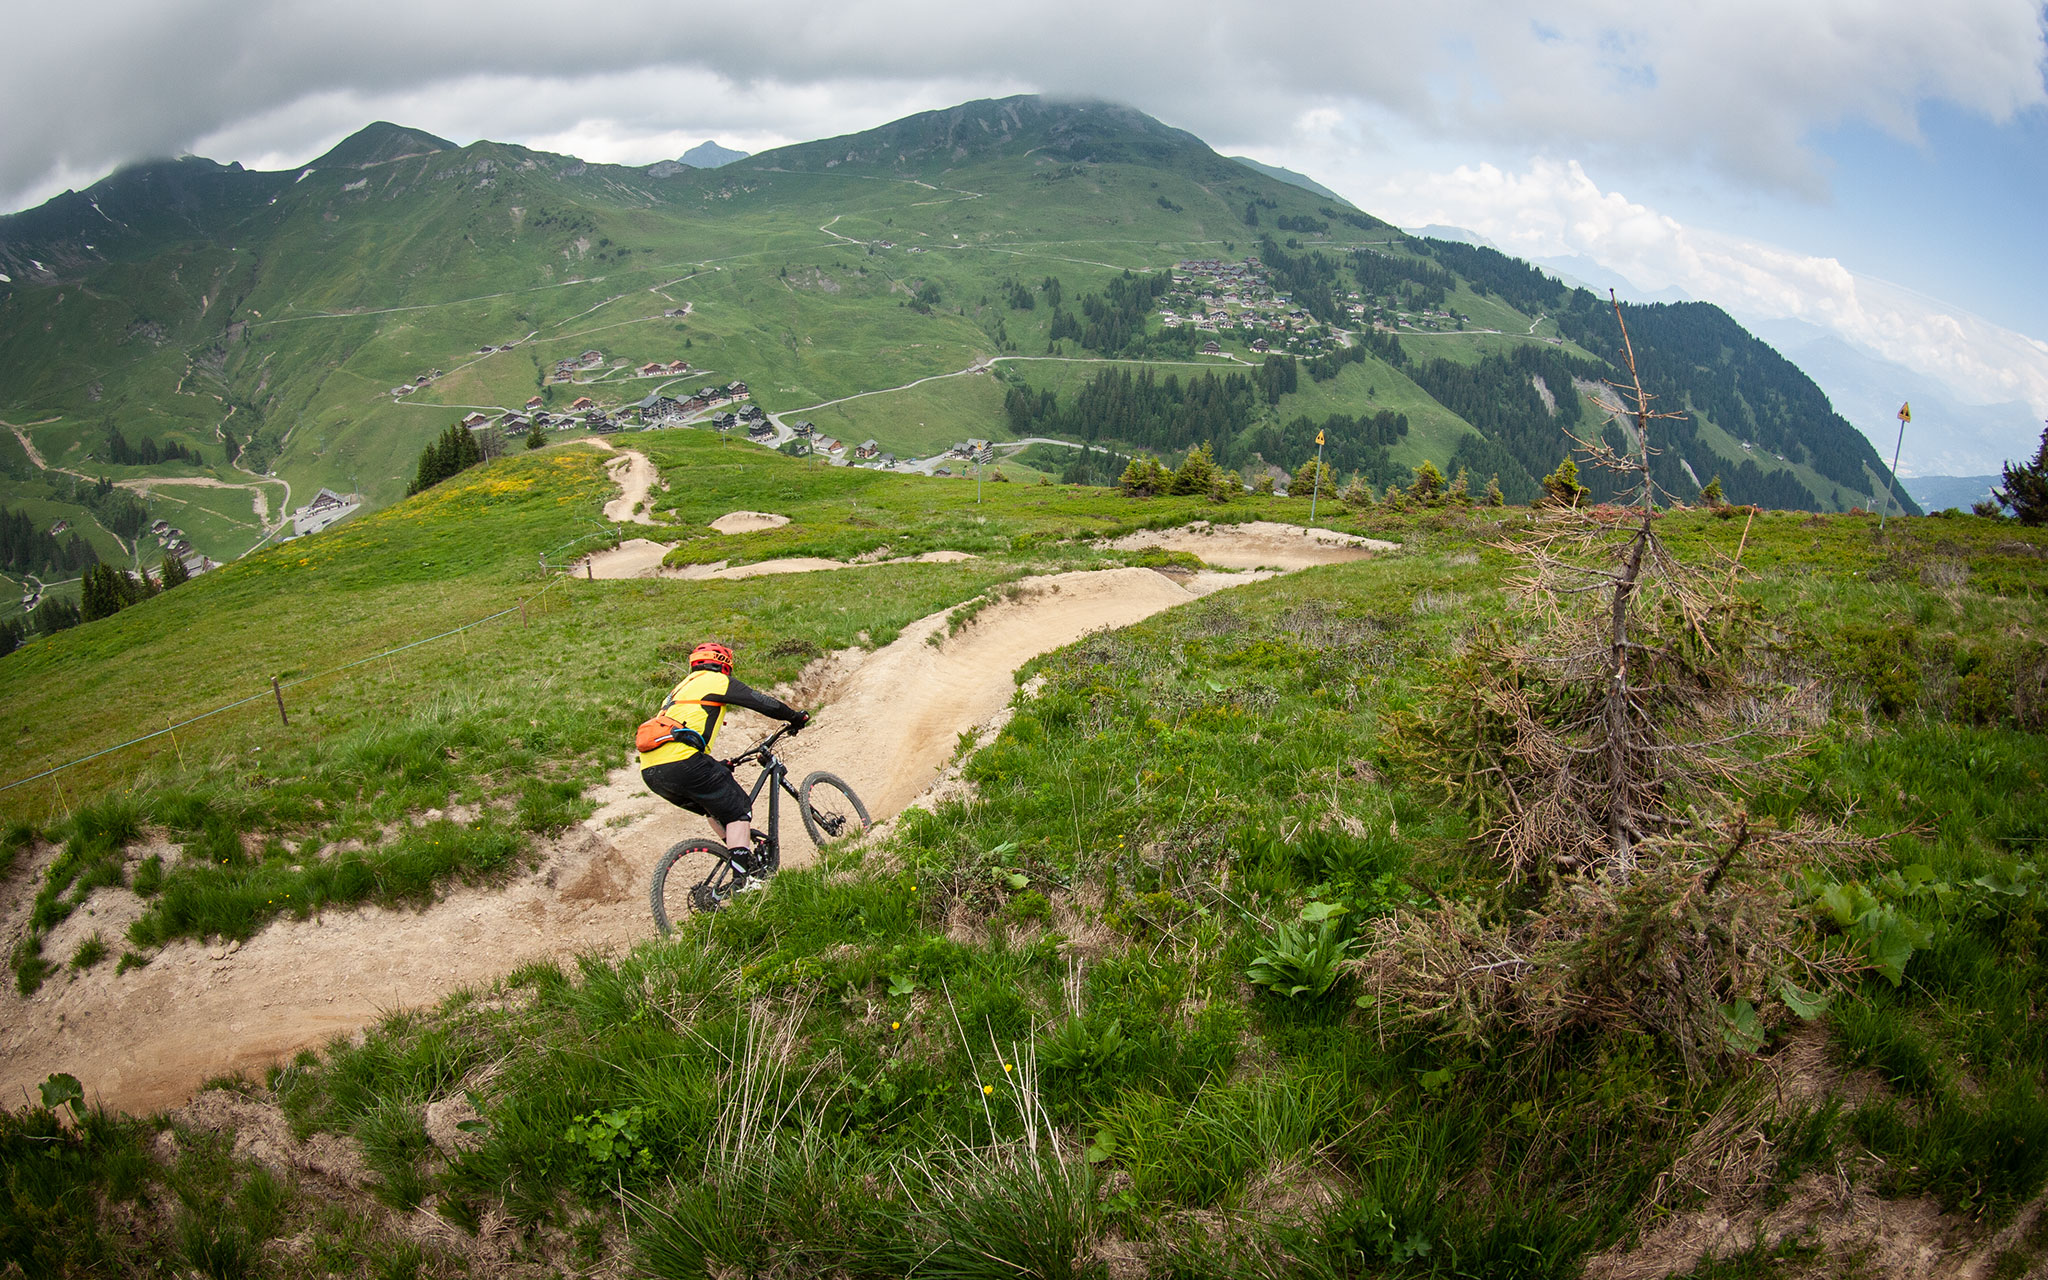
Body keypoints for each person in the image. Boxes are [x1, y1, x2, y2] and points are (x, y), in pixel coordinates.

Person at [638, 641, 809, 890]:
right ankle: (744, 879)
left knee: (715, 809)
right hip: (683, 762)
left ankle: (743, 858)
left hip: (652, 771)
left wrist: (715, 765)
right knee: (739, 810)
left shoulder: (677, 691)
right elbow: (761, 701)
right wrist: (795, 717)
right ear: (724, 664)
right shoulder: (715, 680)